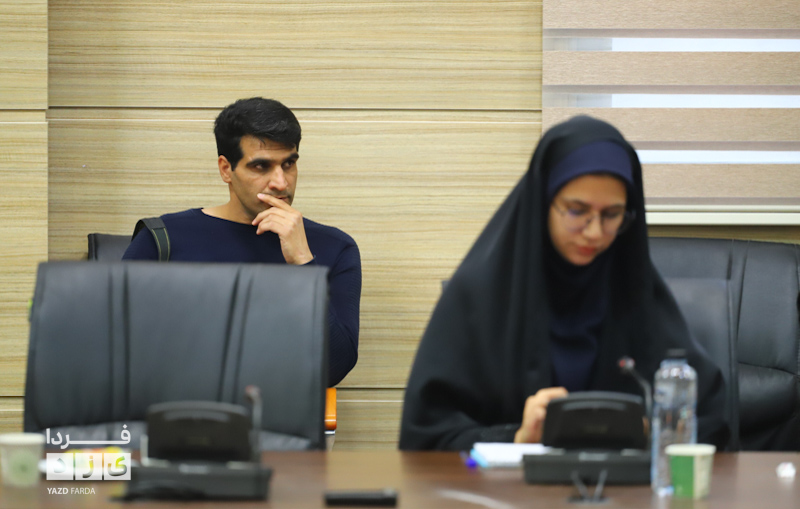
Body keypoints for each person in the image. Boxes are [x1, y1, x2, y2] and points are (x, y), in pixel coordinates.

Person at [399, 115, 729, 450]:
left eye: (612, 215)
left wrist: (652, 431)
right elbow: (426, 438)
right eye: (576, 211)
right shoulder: (478, 297)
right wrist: (516, 438)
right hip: (514, 483)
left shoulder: (638, 295)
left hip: (625, 484)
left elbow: (714, 421)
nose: (595, 232)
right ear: (543, 203)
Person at [123, 97, 361, 386]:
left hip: (280, 411)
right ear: (226, 169)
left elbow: (334, 368)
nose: (281, 183)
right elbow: (115, 349)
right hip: (179, 407)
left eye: (289, 164)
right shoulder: (163, 239)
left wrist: (303, 263)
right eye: (261, 166)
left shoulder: (333, 248)